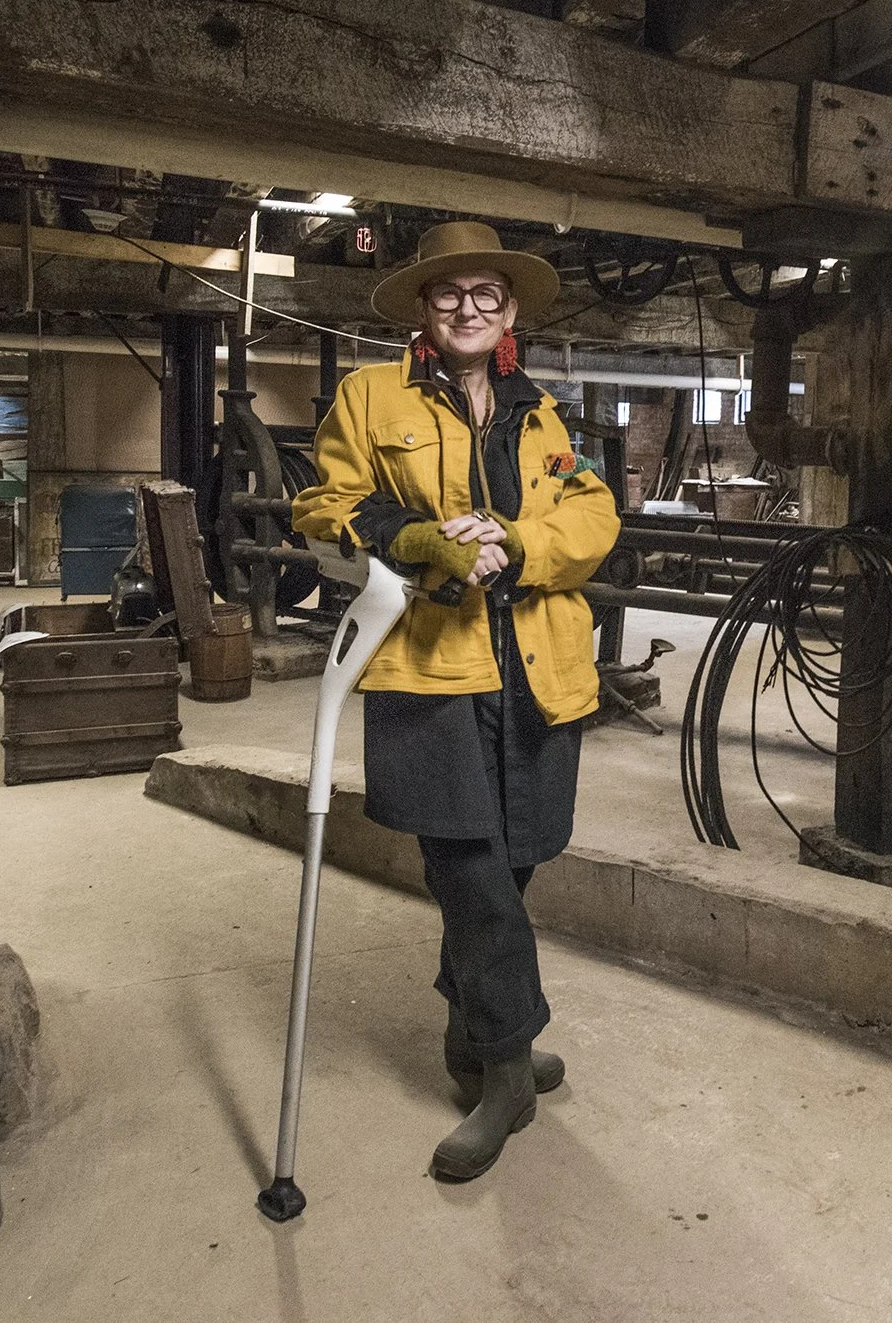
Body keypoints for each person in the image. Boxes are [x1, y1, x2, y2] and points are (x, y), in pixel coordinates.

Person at [291, 220, 619, 1182]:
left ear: (509, 310)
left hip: (537, 668)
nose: (469, 310)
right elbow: (327, 505)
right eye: (450, 296)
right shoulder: (370, 395)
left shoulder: (548, 416)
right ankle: (510, 1072)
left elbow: (593, 516)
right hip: (429, 671)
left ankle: (470, 1031)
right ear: (425, 310)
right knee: (467, 870)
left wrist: (519, 544)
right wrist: (416, 537)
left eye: (487, 296)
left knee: (513, 865)